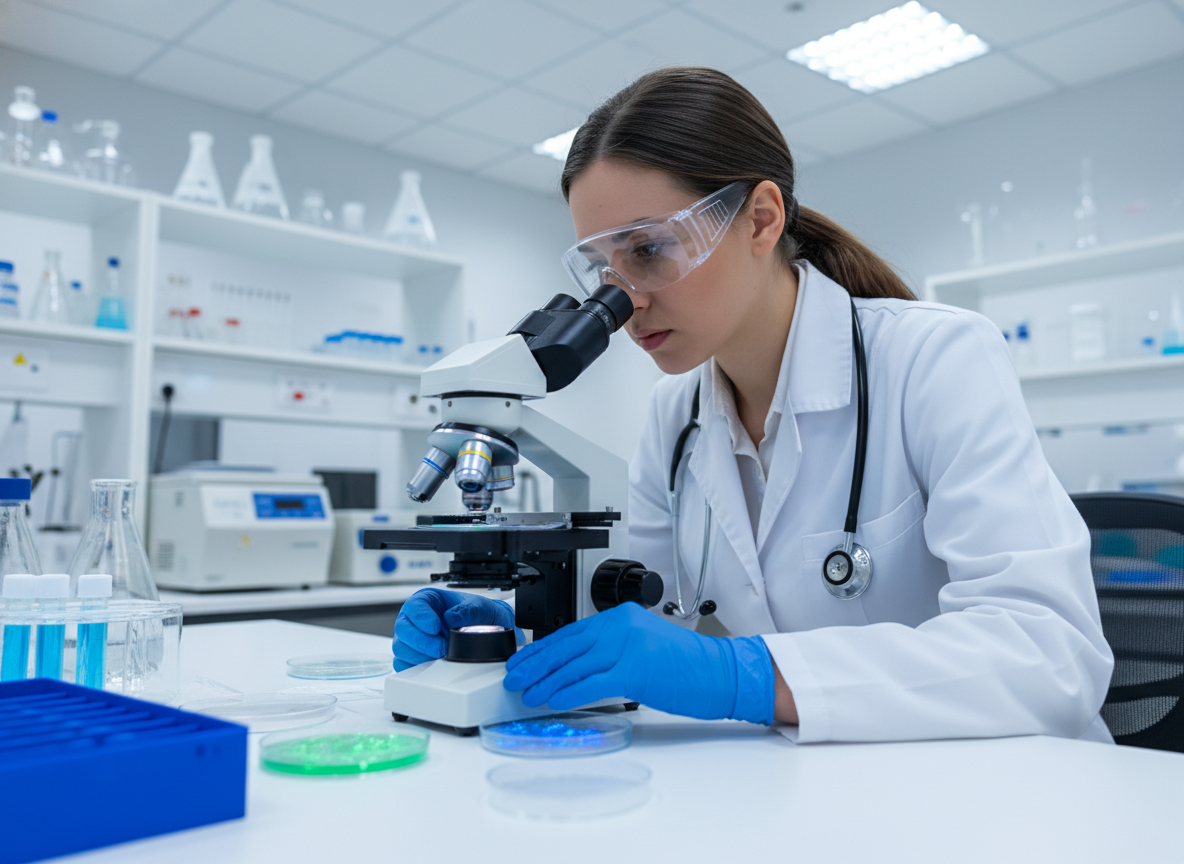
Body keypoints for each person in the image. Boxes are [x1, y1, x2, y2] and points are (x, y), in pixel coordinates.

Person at [393, 67, 1114, 744]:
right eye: (602, 269)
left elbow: (1050, 655)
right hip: (797, 791)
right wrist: (520, 631)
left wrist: (745, 675)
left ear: (761, 220)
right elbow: (645, 625)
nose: (624, 301)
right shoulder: (675, 417)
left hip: (998, 792)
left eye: (648, 250)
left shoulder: (934, 358)